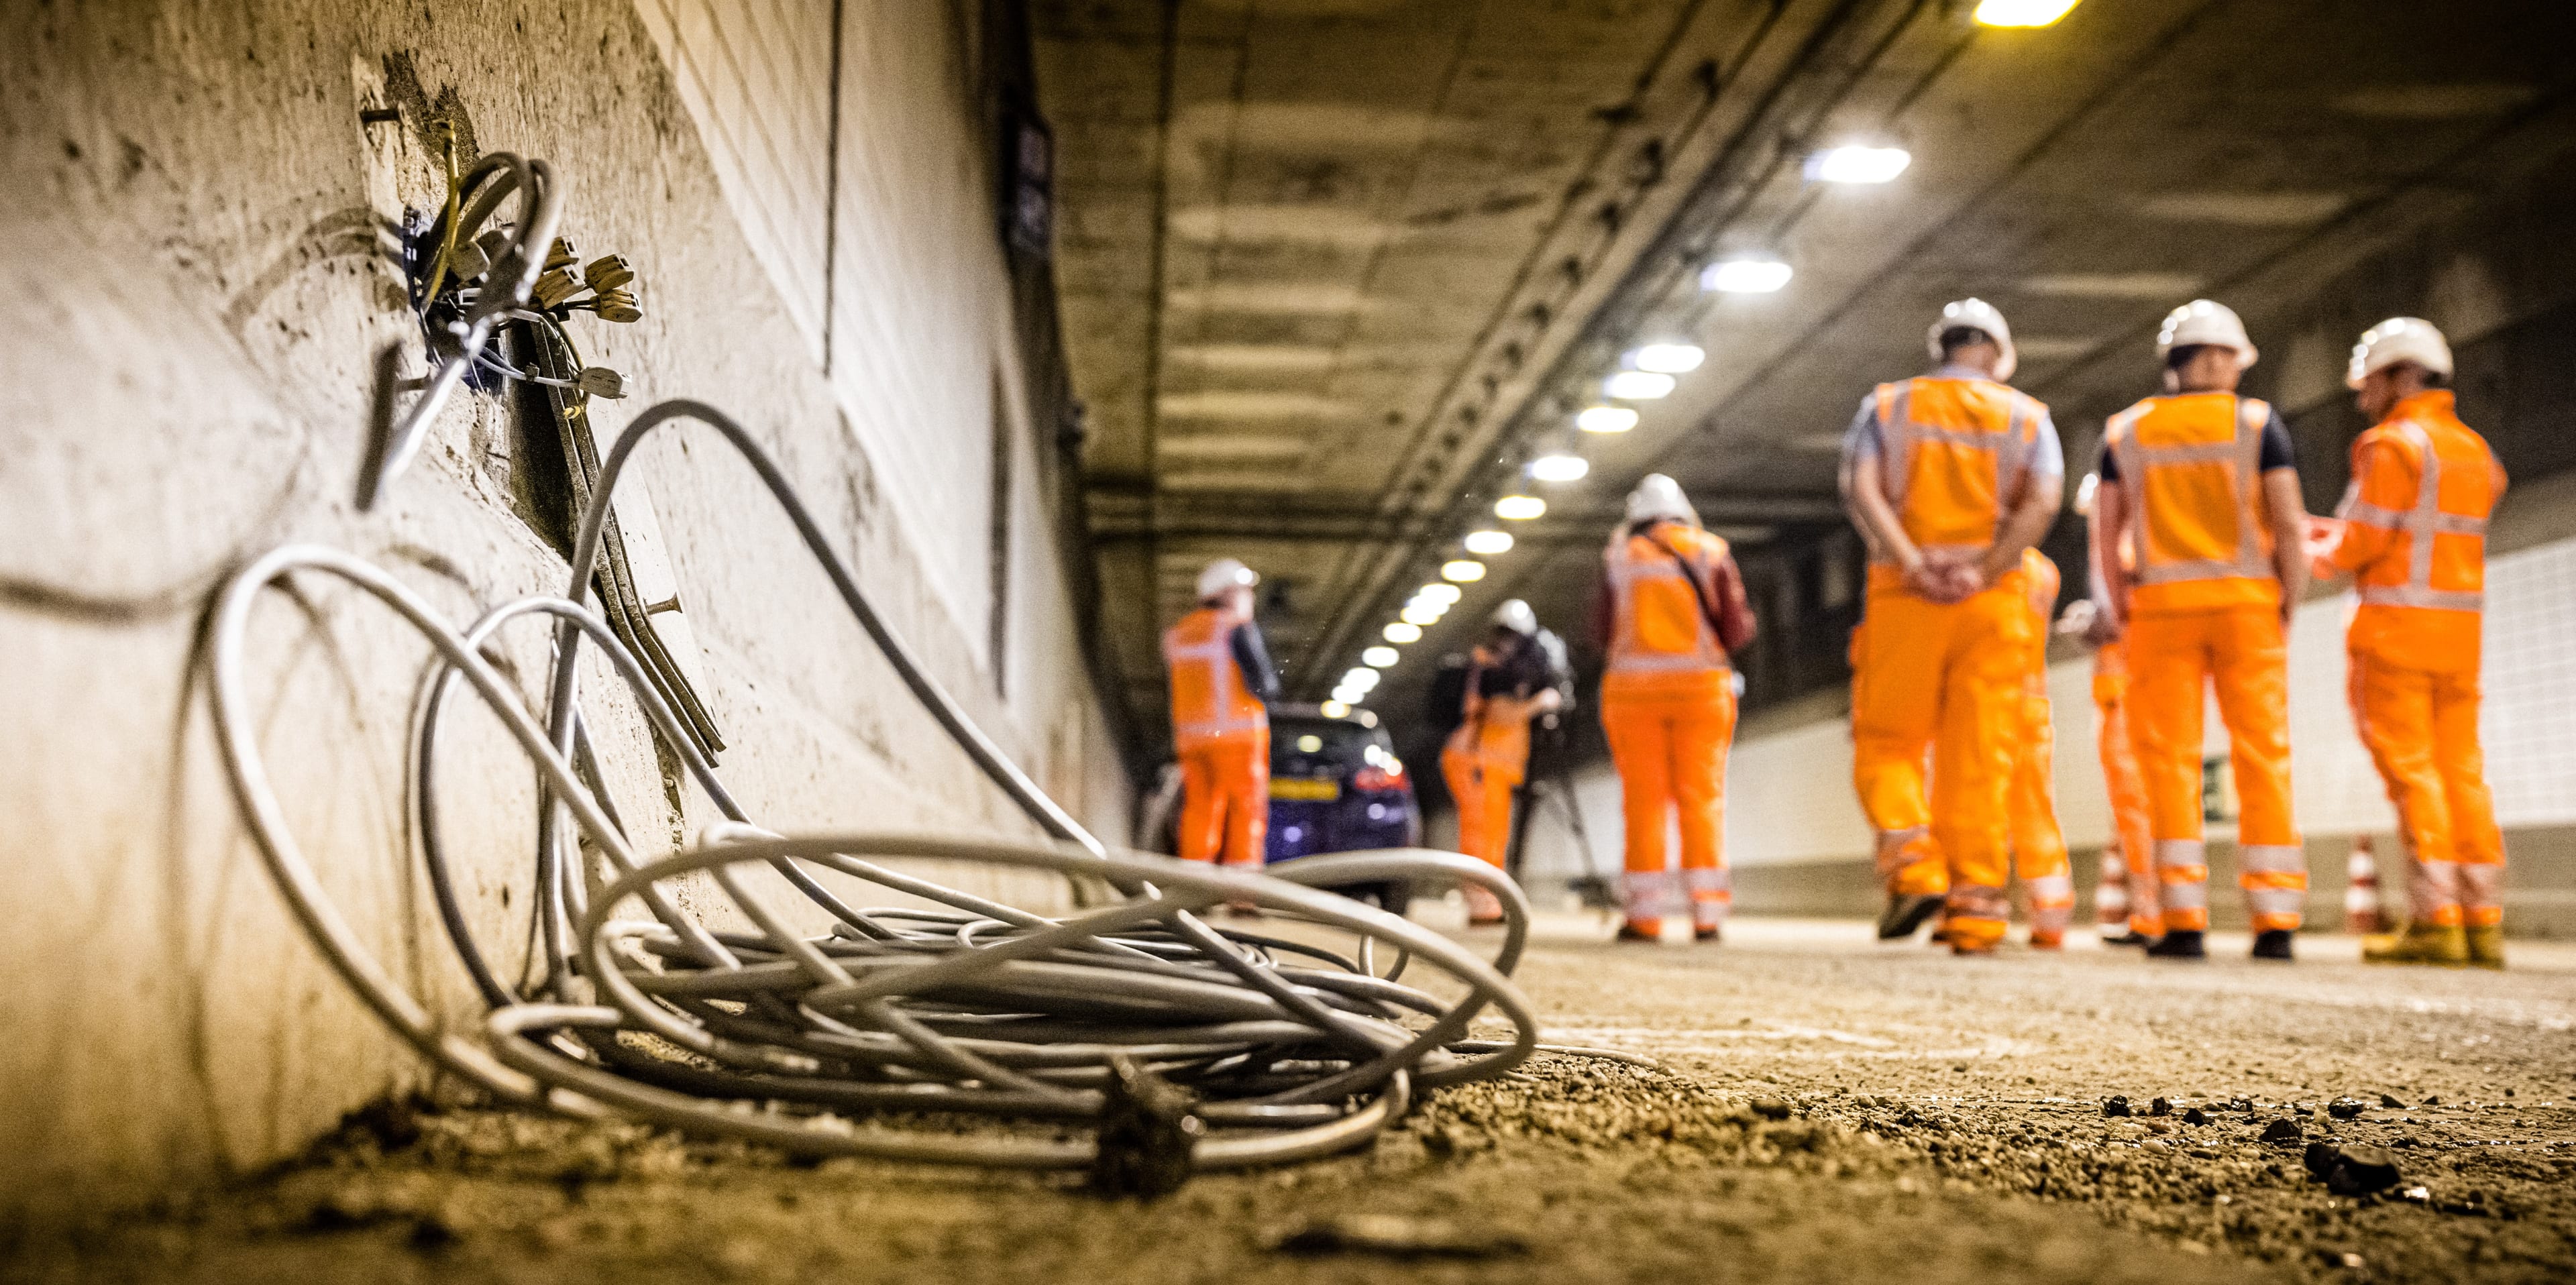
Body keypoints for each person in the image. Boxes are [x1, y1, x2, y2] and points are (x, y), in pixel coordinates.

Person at [1839, 299, 2064, 955]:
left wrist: (1912, 562)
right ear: (1996, 352)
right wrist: (1986, 568)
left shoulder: (1889, 406)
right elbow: (2043, 501)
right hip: (1992, 601)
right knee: (1980, 756)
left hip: (1904, 596)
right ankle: (1975, 913)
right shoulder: (2028, 416)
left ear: (1943, 346)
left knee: (1887, 742)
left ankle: (1915, 867)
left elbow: (1860, 487)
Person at [2092, 300, 2309, 962]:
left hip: (2160, 613)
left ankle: (2182, 919)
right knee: (2263, 755)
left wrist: (2120, 611)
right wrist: (2288, 602)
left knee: (2168, 763)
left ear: (2174, 364)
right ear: (2228, 360)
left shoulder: (2126, 431)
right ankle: (2275, 921)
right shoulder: (2257, 423)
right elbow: (2290, 524)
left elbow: (2106, 539)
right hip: (2248, 608)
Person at [2307, 319, 2508, 968]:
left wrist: (2311, 547)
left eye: (2370, 382)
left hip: (2394, 636)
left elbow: (2362, 542)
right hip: (2460, 638)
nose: (2363, 396)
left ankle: (2435, 919)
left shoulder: (2391, 445)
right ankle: (2482, 920)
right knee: (2462, 773)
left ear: (2402, 375)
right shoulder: (2474, 451)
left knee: (2414, 776)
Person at [1593, 474, 1755, 942]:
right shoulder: (1711, 551)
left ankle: (1645, 917)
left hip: (1633, 696)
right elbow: (1737, 630)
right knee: (1702, 800)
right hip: (1702, 694)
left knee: (1644, 805)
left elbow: (1599, 630)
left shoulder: (1619, 557)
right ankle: (1708, 916)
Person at [2063, 475, 2160, 946]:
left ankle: (2155, 913)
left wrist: (2096, 623)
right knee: (2137, 804)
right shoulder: (2130, 543)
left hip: (2126, 686)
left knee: (2136, 803)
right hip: (2125, 684)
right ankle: (2154, 911)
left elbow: (2128, 610)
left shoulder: (2123, 546)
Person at [1440, 599, 1572, 924]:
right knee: (1482, 836)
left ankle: (1488, 903)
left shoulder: (1498, 666)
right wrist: (1539, 703)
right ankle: (1482, 906)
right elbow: (1501, 715)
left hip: (1486, 764)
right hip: (1477, 762)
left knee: (1493, 835)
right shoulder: (1495, 671)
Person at [1163, 558, 1280, 872]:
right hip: (1237, 739)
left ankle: (1194, 880)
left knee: (1199, 810)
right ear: (1226, 593)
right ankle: (1242, 884)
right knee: (1245, 808)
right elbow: (1265, 685)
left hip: (1193, 743)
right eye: (1245, 591)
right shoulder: (1235, 628)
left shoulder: (1179, 634)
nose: (1249, 598)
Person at [2006, 546, 2075, 948]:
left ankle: (1974, 906)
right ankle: (2052, 913)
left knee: (1977, 808)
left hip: (1987, 701)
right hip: (2032, 703)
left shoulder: (1988, 565)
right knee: (2036, 808)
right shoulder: (2044, 571)